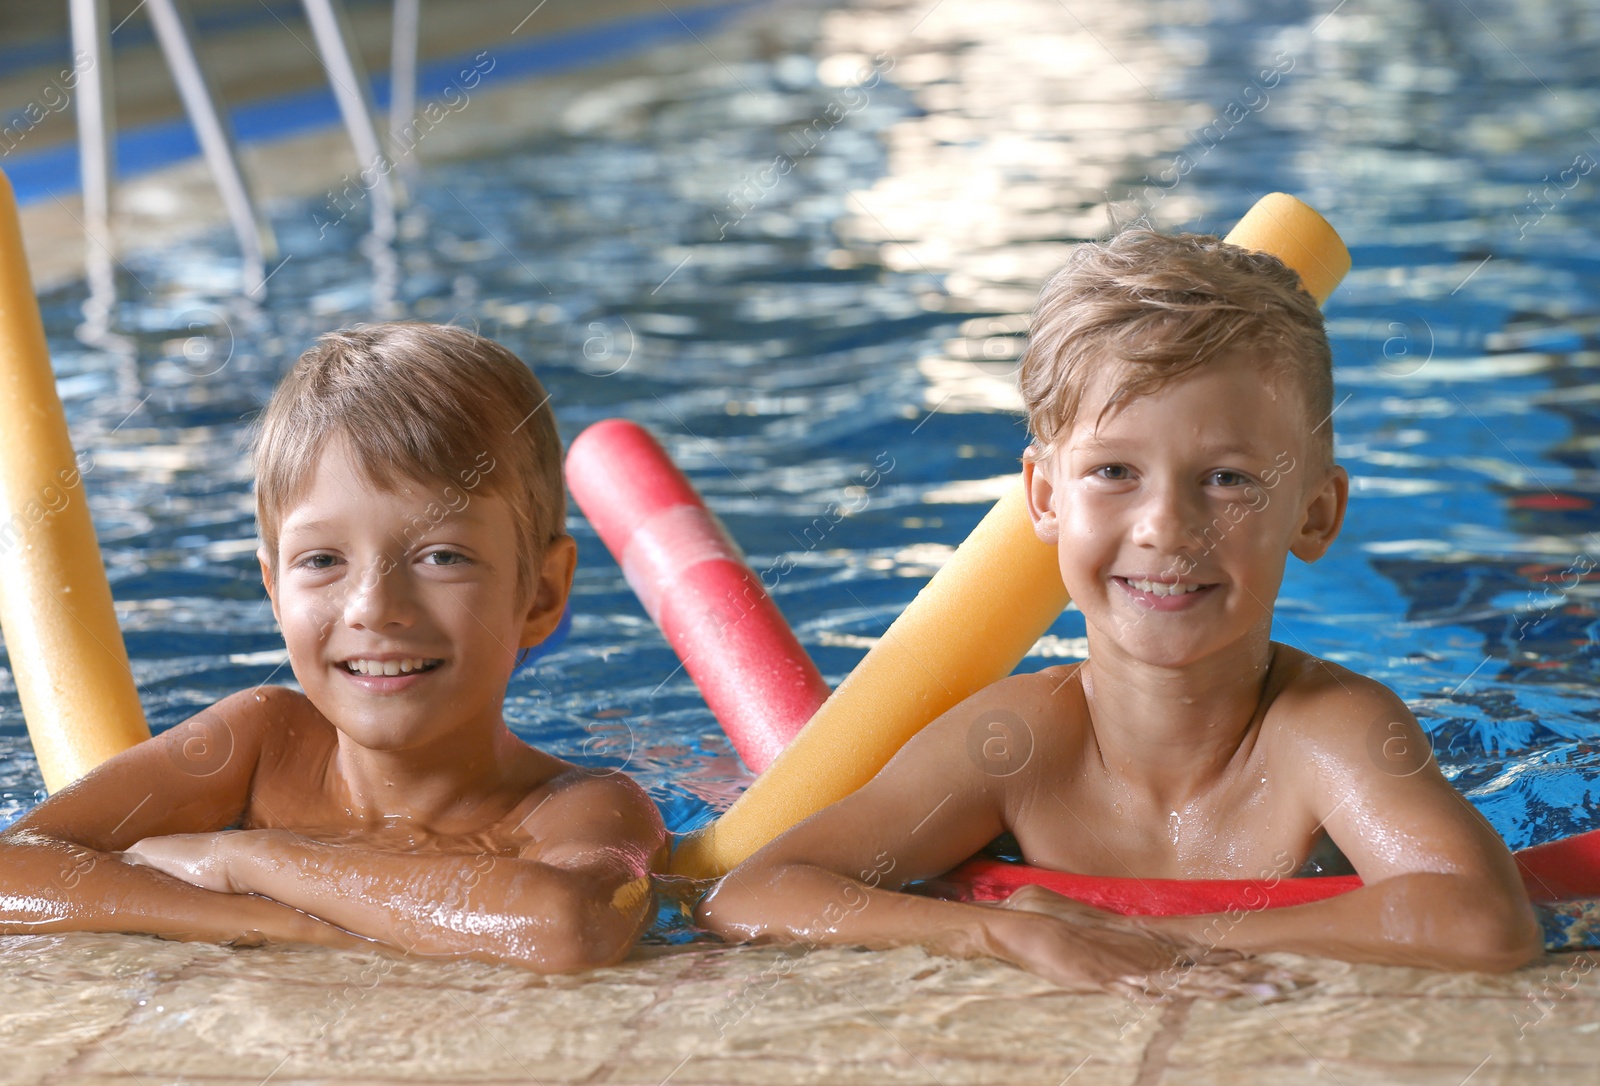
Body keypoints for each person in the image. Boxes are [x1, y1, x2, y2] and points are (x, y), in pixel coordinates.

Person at [695, 231, 1541, 990]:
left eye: (1228, 478)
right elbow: (755, 894)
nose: (1166, 526)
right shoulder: (1015, 743)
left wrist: (1165, 943)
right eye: (1113, 472)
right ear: (1043, 494)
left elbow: (1482, 921)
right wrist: (1003, 933)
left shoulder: (1327, 730)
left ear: (1315, 514)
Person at [0, 323, 666, 972]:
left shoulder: (581, 805)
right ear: (273, 588)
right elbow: (13, 866)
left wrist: (250, 862)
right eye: (322, 560)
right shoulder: (261, 744)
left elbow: (569, 926)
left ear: (543, 595)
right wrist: (257, 920)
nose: (374, 607)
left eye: (441, 556)